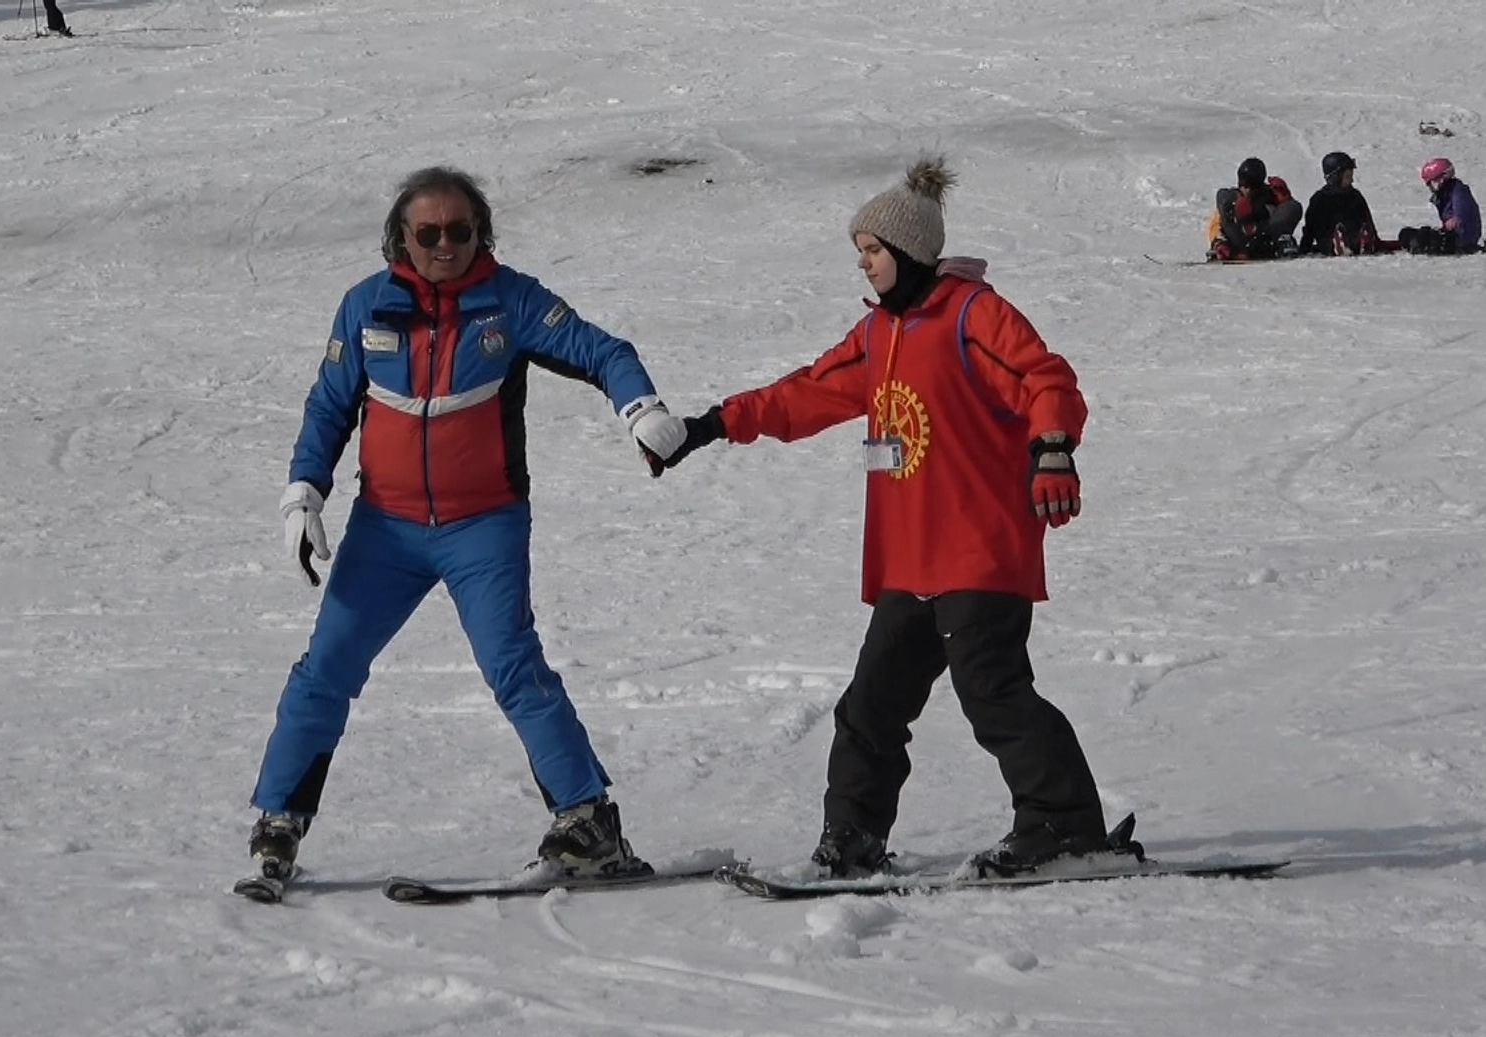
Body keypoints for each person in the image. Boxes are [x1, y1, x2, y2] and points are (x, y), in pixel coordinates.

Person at [658, 157, 1111, 878]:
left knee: (993, 694)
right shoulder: (877, 337)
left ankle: (1065, 827)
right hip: (910, 560)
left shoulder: (971, 314)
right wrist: (713, 424)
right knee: (870, 707)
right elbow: (804, 393)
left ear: (908, 251)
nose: (863, 265)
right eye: (860, 253)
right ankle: (853, 839)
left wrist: (1052, 449)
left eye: (871, 251)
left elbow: (1044, 378)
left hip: (979, 549)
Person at [245, 165, 691, 882]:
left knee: (512, 664)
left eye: (461, 230)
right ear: (402, 239)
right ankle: (279, 820)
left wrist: (641, 408)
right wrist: (303, 494)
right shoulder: (365, 307)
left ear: (481, 233)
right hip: (385, 530)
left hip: (483, 525)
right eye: (429, 233)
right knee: (325, 666)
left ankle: (587, 820)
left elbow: (602, 351)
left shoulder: (509, 301)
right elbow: (329, 407)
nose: (446, 245)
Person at [1299, 151, 1395, 256]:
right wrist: (1304, 248)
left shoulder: (1355, 196)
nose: (1352, 180)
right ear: (1335, 177)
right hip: (1329, 240)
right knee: (1335, 232)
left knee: (1358, 230)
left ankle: (1363, 242)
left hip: (1353, 235)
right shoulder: (1320, 198)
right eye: (1348, 176)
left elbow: (1367, 219)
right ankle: (1340, 243)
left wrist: (1374, 239)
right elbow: (1310, 229)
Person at [1206, 157, 1302, 261]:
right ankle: (1224, 248)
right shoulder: (1232, 200)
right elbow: (1216, 224)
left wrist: (1284, 197)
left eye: (1251, 186)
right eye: (1243, 185)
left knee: (1293, 206)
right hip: (1239, 242)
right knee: (1224, 196)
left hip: (1266, 241)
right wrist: (1219, 241)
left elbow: (1288, 214)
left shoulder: (1270, 196)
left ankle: (1281, 243)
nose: (1246, 190)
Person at [1397, 157, 1481, 255]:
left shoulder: (1458, 190)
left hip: (1460, 240)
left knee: (1423, 239)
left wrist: (1457, 218)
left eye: (1431, 183)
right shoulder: (1444, 194)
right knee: (1406, 233)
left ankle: (1421, 246)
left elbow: (1462, 206)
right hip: (1452, 236)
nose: (1430, 187)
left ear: (1441, 179)